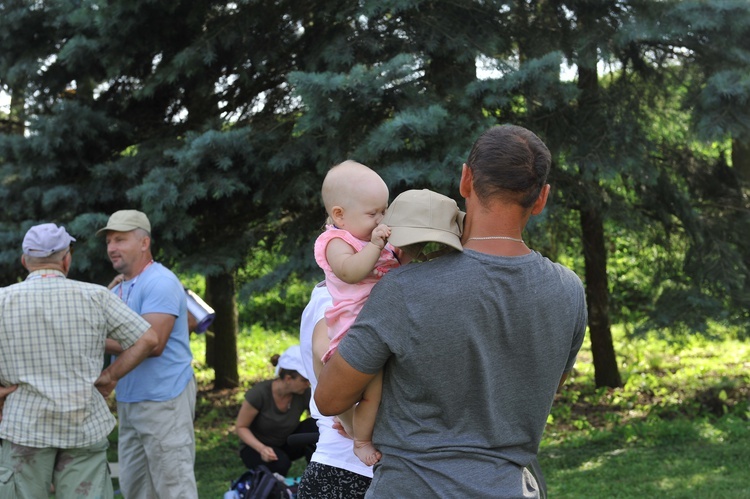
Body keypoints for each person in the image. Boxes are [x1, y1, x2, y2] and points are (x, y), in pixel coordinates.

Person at [315, 125, 588, 498]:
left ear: (465, 180)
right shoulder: (569, 292)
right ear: (541, 199)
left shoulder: (405, 289)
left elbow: (330, 399)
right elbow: (541, 388)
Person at [0, 223, 159, 498]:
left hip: (24, 426)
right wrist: (111, 376)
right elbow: (147, 339)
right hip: (83, 424)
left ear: (25, 261)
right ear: (66, 259)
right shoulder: (96, 296)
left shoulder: (2, 300)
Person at [97, 210, 198, 498]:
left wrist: (99, 340)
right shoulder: (120, 285)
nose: (112, 247)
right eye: (109, 241)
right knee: (135, 488)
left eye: (120, 239)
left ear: (144, 243)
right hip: (130, 399)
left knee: (173, 486)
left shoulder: (160, 281)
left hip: (164, 399)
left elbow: (153, 344)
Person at [296, 282, 373, 498]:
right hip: (349, 467)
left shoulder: (343, 291)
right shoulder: (337, 295)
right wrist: (354, 427)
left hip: (349, 466)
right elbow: (324, 354)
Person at [235, 345, 318, 477]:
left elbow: (321, 414)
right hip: (256, 447)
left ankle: (316, 474)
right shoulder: (259, 393)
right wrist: (261, 449)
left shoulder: (303, 393)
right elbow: (241, 427)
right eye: (304, 380)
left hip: (285, 442)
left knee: (315, 426)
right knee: (280, 464)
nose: (308, 384)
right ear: (288, 378)